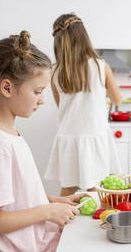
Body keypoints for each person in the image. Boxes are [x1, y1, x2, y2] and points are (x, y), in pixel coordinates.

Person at [0, 31, 88, 252]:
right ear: (7, 87)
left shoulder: (5, 135)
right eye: (38, 91)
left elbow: (12, 199)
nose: (42, 100)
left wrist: (54, 201)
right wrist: (48, 211)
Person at [45, 13, 123, 196]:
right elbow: (117, 99)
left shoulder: (54, 71)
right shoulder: (99, 66)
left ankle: (64, 222)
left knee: (68, 187)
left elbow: (60, 105)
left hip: (68, 137)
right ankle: (95, 222)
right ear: (83, 37)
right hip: (93, 135)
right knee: (96, 188)